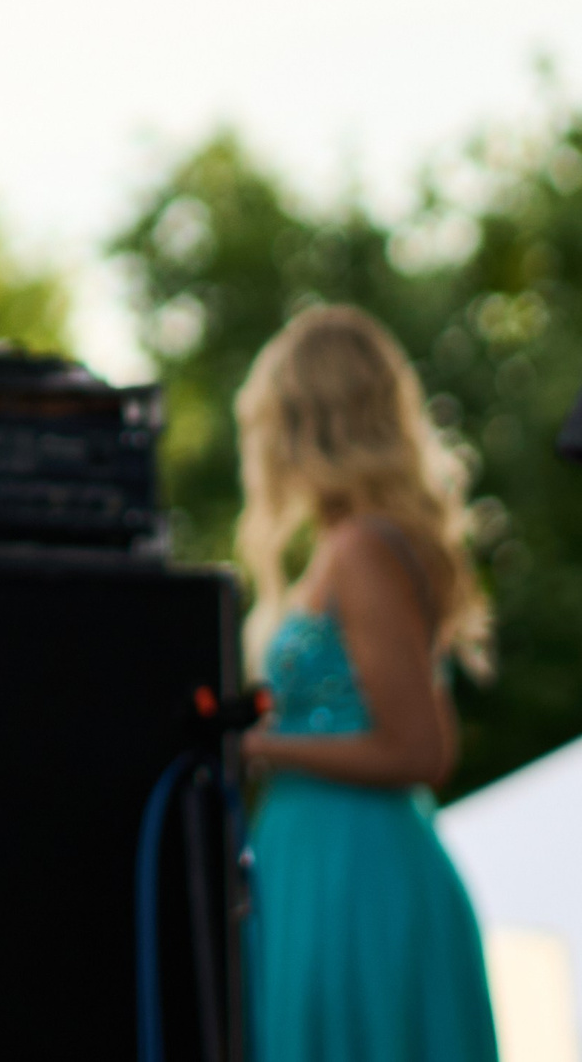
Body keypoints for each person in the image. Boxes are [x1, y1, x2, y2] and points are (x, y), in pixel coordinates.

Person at [236, 305, 499, 1062]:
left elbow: (420, 748)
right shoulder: (349, 543)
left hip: (355, 876)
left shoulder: (362, 549)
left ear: (304, 420)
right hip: (320, 864)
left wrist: (262, 744)